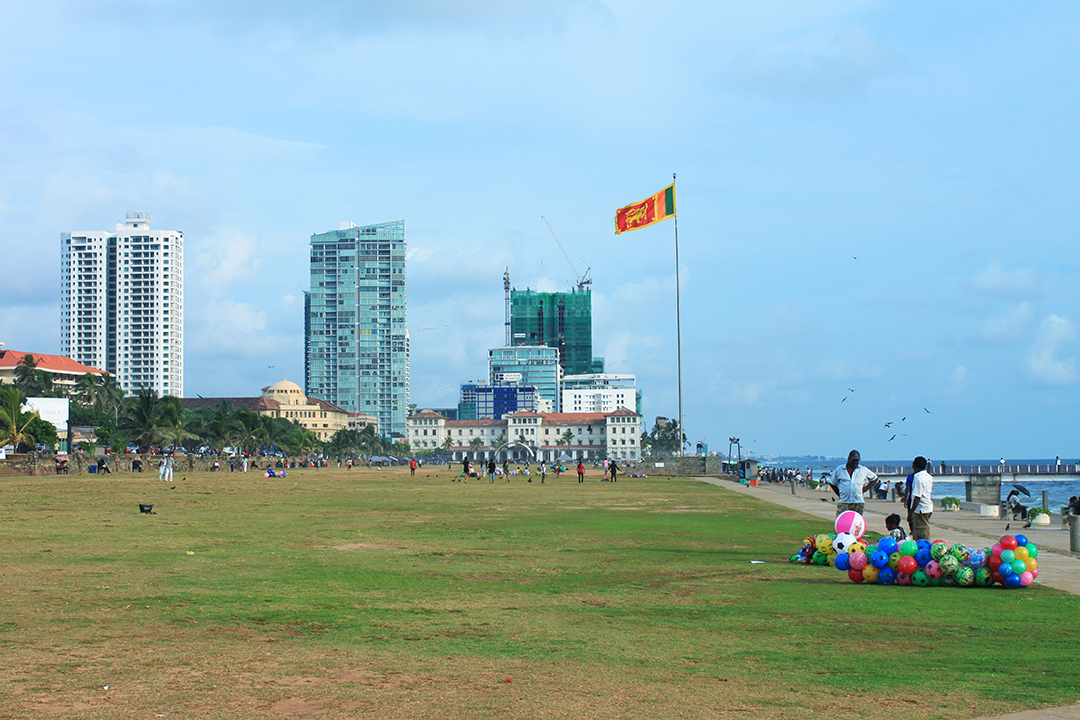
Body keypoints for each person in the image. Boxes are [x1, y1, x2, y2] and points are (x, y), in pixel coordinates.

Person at [828, 450, 877, 517]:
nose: (855, 462)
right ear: (848, 459)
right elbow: (832, 483)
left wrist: (865, 489)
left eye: (857, 460)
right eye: (853, 460)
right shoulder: (840, 469)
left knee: (856, 523)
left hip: (858, 502)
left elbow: (874, 478)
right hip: (844, 502)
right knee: (841, 521)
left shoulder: (863, 470)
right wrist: (839, 494)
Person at [907, 456, 933, 541]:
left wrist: (911, 512)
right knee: (923, 528)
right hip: (927, 506)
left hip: (920, 509)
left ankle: (924, 549)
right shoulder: (928, 476)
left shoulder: (918, 478)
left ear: (913, 465)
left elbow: (917, 497)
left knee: (921, 532)